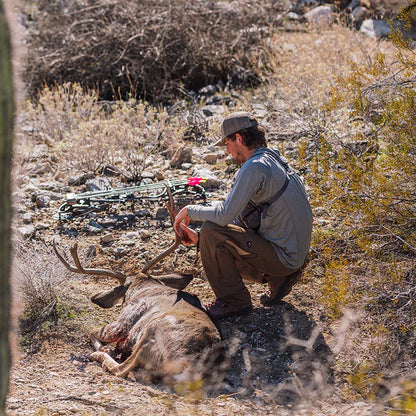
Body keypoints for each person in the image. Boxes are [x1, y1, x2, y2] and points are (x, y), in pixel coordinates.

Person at [173, 111, 313, 320]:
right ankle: (279, 278)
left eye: (227, 143)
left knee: (211, 230)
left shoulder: (254, 167)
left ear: (238, 138)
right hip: (293, 251)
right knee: (210, 234)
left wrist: (190, 210)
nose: (227, 151)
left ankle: (234, 302)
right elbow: (240, 216)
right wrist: (201, 240)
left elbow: (224, 216)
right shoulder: (271, 157)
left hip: (284, 256)